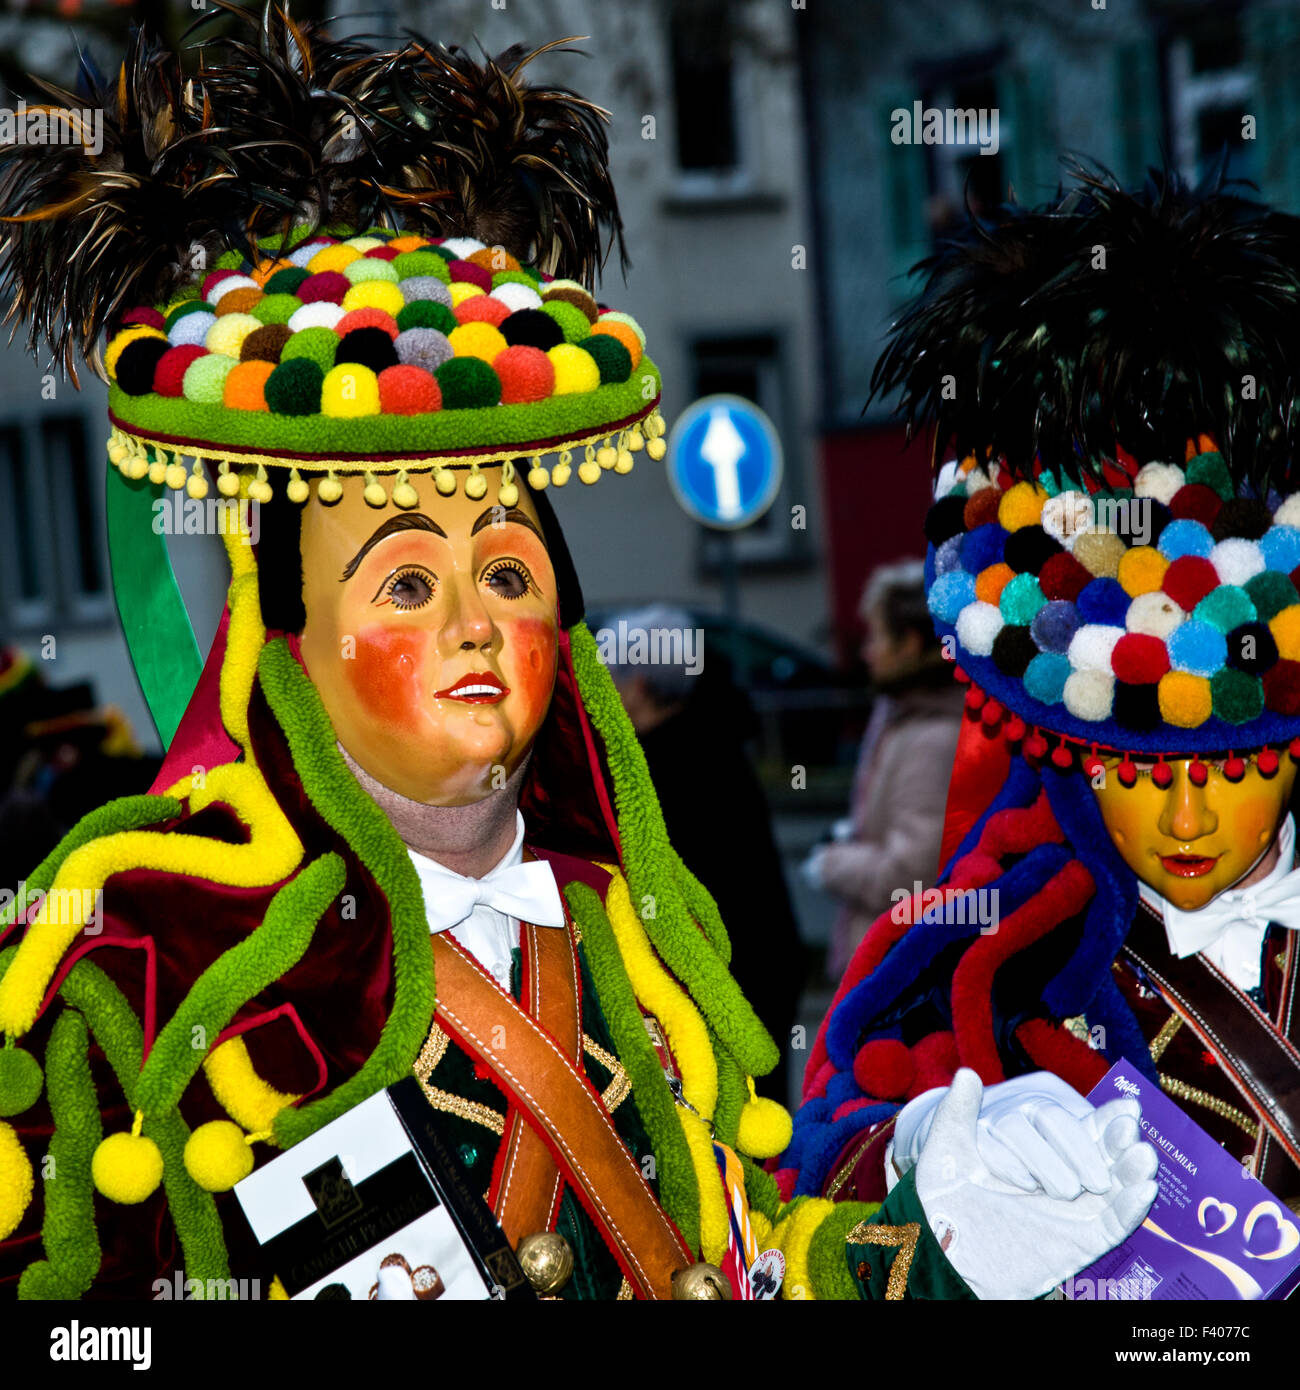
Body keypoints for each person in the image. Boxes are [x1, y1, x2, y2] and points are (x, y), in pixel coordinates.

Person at [0, 9, 792, 1301]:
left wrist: (928, 1219)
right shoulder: (137, 968)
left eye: (509, 574)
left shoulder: (651, 927)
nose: (474, 625)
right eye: (408, 582)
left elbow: (763, 1245)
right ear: (289, 648)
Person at [772, 163, 1300, 1299]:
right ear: (1068, 749)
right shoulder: (990, 951)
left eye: (1241, 764)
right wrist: (920, 1157)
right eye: (1132, 767)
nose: (1189, 815)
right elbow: (814, 1190)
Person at [605, 604, 805, 1102]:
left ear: (639, 687)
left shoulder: (663, 767)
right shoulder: (713, 739)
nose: (601, 691)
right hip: (758, 971)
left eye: (611, 677)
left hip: (728, 986)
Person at [803, 561, 964, 982]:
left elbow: (910, 875)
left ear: (910, 644)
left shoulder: (931, 736)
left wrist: (830, 863)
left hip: (898, 973)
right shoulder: (905, 717)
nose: (867, 650)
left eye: (876, 635)